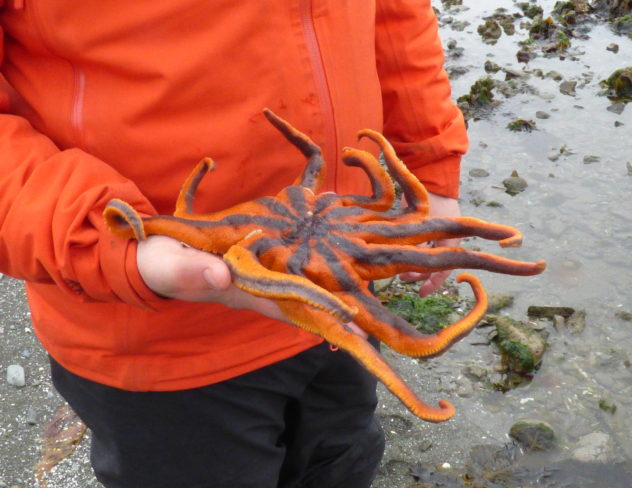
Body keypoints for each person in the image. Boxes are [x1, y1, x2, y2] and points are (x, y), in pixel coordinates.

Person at [0, 2, 468, 487]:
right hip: (160, 337)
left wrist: (429, 159)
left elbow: (395, 12)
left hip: (337, 292)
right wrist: (111, 241)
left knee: (343, 464)